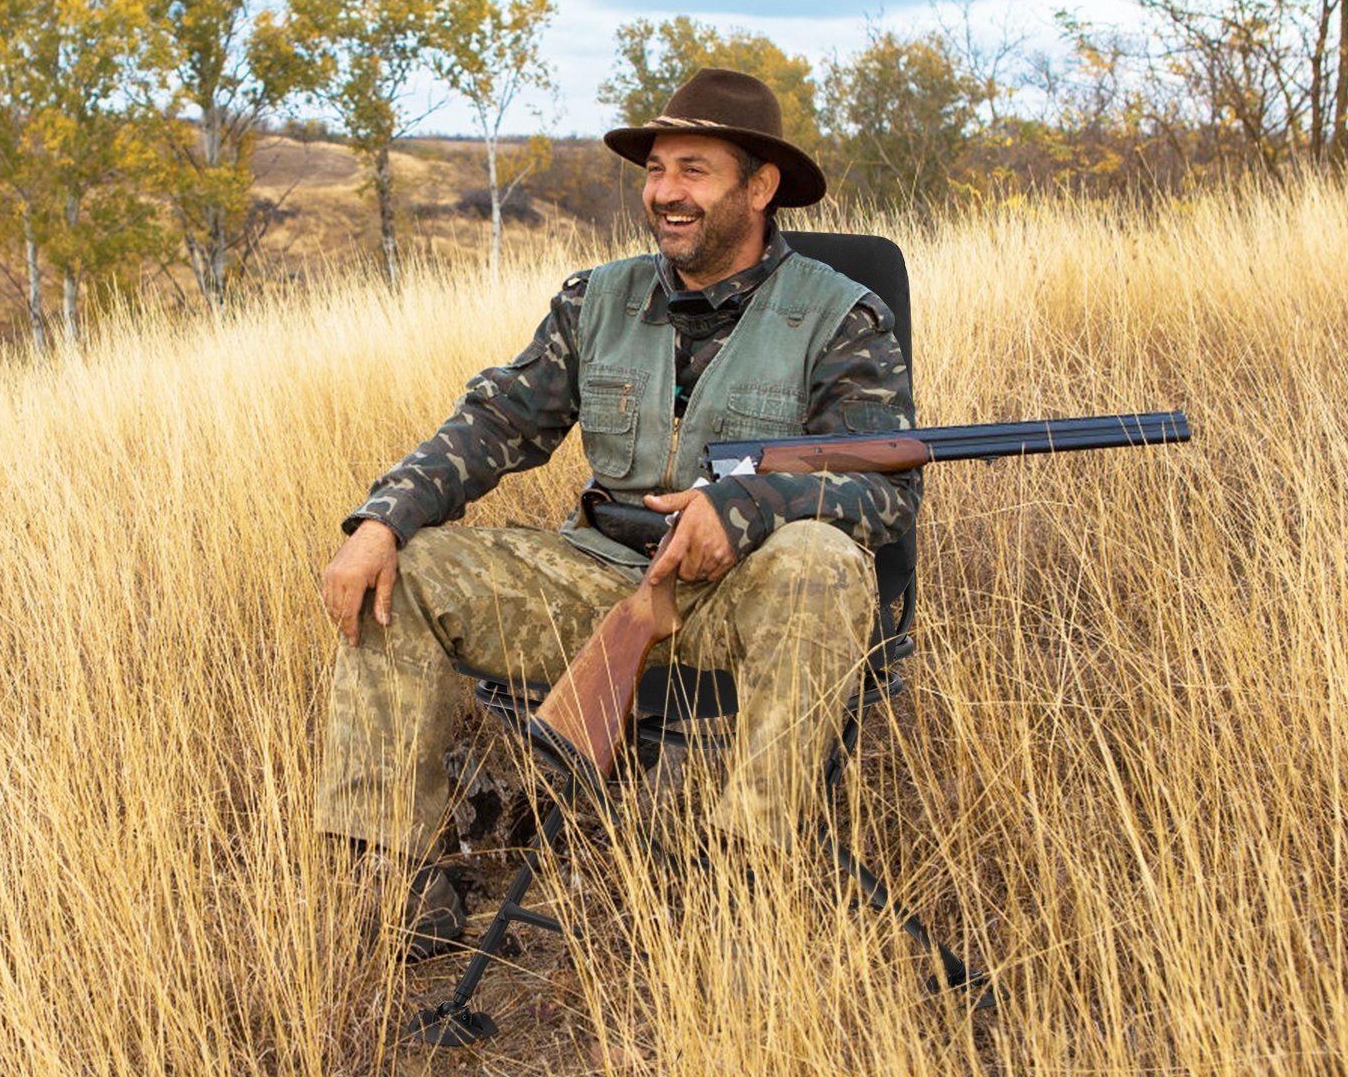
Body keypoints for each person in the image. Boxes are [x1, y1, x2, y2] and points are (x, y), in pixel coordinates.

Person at [317, 66, 920, 955]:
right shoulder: (593, 299)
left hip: (742, 596)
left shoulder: (839, 317)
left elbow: (885, 492)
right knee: (403, 576)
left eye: (694, 170)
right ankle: (397, 877)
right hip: (591, 575)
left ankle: (751, 874)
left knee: (823, 563)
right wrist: (382, 521)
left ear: (760, 188)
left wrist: (748, 507)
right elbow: (496, 422)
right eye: (656, 171)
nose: (666, 195)